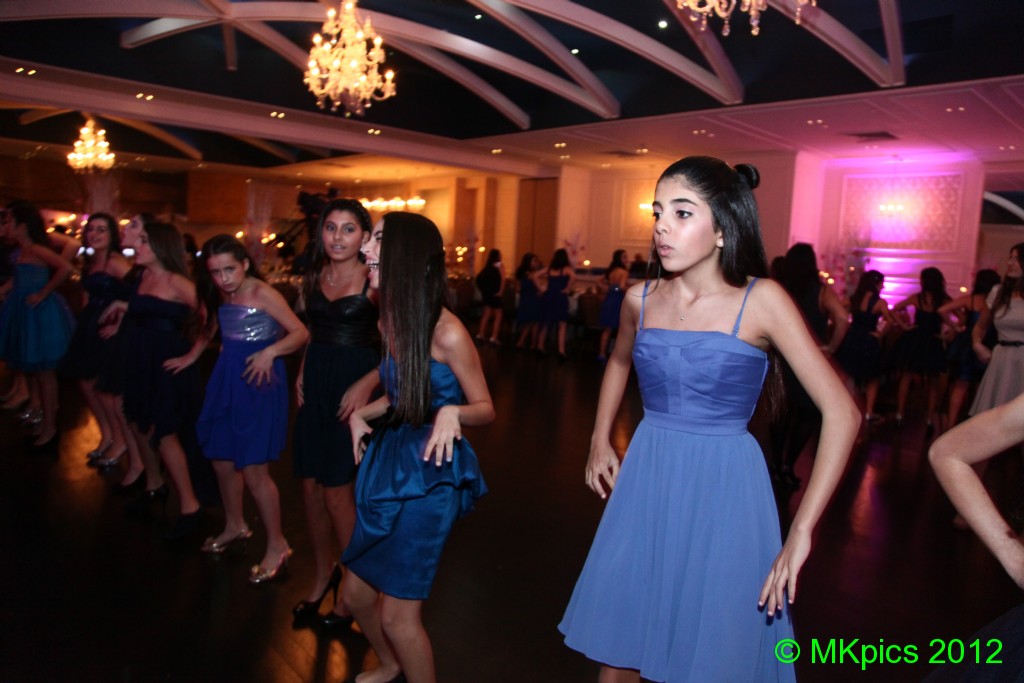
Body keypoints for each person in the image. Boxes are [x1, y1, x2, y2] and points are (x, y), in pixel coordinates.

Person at [559, 156, 859, 682]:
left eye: (681, 213)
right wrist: (599, 438)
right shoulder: (641, 299)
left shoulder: (761, 300)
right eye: (657, 213)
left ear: (722, 229)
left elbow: (843, 411)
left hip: (726, 488)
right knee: (621, 648)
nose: (661, 227)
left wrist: (802, 529)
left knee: (713, 649)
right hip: (648, 476)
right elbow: (620, 361)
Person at [343, 212, 493, 683]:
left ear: (405, 254)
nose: (365, 248)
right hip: (391, 458)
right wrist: (360, 415)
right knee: (356, 596)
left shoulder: (447, 331)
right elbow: (401, 394)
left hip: (431, 472)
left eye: (377, 240)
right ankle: (391, 664)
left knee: (397, 616)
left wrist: (454, 413)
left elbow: (486, 408)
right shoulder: (389, 317)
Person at [194, 235, 307, 581]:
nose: (224, 278)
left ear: (245, 263)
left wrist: (271, 352)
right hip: (228, 378)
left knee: (255, 470)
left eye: (230, 269)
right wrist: (195, 354)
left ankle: (278, 545)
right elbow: (217, 327)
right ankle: (235, 525)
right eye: (216, 272)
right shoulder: (222, 293)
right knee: (221, 460)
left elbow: (300, 332)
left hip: (258, 382)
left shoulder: (262, 293)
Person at [291, 198, 379, 626]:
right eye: (330, 227)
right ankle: (324, 573)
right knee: (310, 489)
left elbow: (401, 347)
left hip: (354, 387)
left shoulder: (374, 279)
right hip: (316, 385)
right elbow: (315, 330)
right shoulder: (315, 275)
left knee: (337, 493)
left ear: (364, 236)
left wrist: (368, 382)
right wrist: (302, 370)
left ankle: (353, 592)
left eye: (348, 229)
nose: (337, 237)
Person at [101, 222, 206, 539]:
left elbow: (211, 316)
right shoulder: (143, 276)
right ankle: (154, 485)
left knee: (164, 431)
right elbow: (142, 310)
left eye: (144, 241)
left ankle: (190, 507)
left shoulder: (176, 280)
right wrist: (121, 313)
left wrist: (193, 355)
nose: (137, 245)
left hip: (165, 361)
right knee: (139, 422)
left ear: (160, 246)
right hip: (140, 357)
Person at [770, 242, 849, 489]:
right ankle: (788, 465)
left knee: (780, 416)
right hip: (810, 363)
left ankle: (775, 466)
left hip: (782, 361)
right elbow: (842, 317)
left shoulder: (780, 289)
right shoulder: (821, 292)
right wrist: (831, 347)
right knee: (807, 415)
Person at [60, 213, 136, 468]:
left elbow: (138, 295)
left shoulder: (116, 262)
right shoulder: (92, 261)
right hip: (91, 323)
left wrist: (120, 322)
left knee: (105, 388)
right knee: (86, 383)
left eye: (101, 230)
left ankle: (121, 440)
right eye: (91, 229)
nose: (94, 234)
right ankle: (107, 434)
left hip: (109, 326)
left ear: (112, 234)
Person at [0, 200, 74, 448]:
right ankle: (44, 421)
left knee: (45, 374)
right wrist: (5, 290)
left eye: (9, 221)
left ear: (22, 226)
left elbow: (65, 267)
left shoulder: (35, 249)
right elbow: (21, 279)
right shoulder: (24, 250)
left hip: (38, 314)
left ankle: (50, 428)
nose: (6, 225)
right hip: (26, 311)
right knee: (39, 374)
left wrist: (44, 293)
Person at [938, 268, 1001, 430]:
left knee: (960, 386)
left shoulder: (971, 300)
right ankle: (978, 426)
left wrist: (956, 326)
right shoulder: (998, 302)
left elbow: (942, 310)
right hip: (989, 343)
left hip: (967, 345)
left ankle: (951, 425)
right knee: (983, 387)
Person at [891, 267, 952, 429]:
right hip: (933, 340)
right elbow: (962, 316)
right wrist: (950, 332)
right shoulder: (944, 300)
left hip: (916, 339)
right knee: (933, 380)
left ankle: (900, 413)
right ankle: (929, 417)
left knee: (907, 375)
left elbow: (895, 308)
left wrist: (904, 326)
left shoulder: (917, 298)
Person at [835, 270, 899, 421]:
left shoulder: (853, 299)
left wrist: (845, 325)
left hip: (852, 338)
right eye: (881, 283)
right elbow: (890, 320)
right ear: (876, 284)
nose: (883, 287)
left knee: (850, 373)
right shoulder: (880, 302)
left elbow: (837, 309)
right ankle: (868, 412)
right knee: (872, 377)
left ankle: (848, 408)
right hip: (868, 340)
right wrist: (879, 334)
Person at [970, 243, 1024, 416]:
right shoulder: (998, 292)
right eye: (1010, 257)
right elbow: (980, 326)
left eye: (1016, 259)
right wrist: (977, 344)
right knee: (995, 416)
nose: (1010, 263)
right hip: (1002, 358)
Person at [537, 248, 575, 359]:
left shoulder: (550, 269)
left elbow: (535, 275)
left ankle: (540, 346)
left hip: (549, 296)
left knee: (546, 322)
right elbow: (574, 277)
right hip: (560, 297)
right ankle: (561, 351)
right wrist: (568, 287)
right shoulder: (566, 269)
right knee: (562, 325)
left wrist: (541, 288)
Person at [597, 249, 629, 362]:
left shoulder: (611, 271)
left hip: (608, 299)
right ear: (619, 258)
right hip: (617, 300)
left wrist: (608, 287)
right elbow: (621, 287)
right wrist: (630, 289)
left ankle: (601, 353)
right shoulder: (623, 272)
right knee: (621, 330)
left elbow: (598, 281)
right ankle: (617, 356)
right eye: (624, 257)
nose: (627, 259)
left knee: (607, 329)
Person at [514, 253, 545, 351]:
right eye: (534, 260)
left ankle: (525, 342)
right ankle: (530, 343)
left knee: (530, 323)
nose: (536, 262)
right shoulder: (531, 274)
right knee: (533, 322)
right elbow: (540, 287)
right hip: (532, 299)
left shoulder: (522, 273)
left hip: (526, 299)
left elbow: (518, 288)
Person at [474, 249, 505, 346]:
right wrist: (500, 291)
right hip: (495, 294)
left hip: (487, 294)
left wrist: (484, 290)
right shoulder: (499, 265)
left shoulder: (487, 267)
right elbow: (503, 280)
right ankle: (494, 337)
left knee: (486, 314)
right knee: (498, 315)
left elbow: (478, 278)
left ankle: (480, 334)